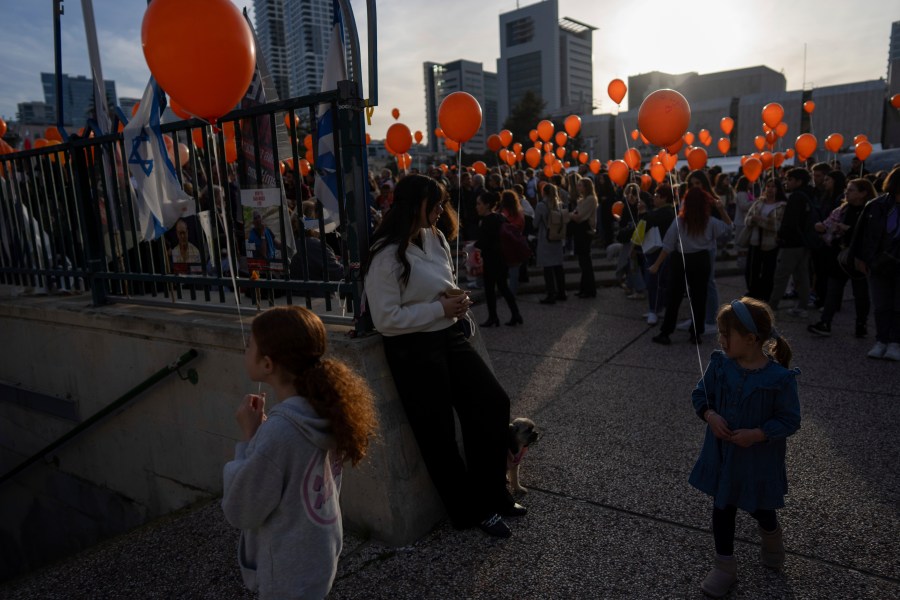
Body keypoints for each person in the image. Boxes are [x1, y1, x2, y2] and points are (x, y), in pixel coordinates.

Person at [363, 174, 523, 538]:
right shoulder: (385, 254)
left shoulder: (434, 238)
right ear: (414, 205)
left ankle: (492, 492)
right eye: (434, 204)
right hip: (411, 348)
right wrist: (440, 309)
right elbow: (387, 320)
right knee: (438, 433)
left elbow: (444, 286)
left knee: (492, 402)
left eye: (441, 203)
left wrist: (458, 302)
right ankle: (469, 510)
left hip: (447, 335)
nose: (441, 210)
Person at [222, 306, 378, 599]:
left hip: (286, 571)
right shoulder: (323, 406)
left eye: (248, 346)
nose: (245, 351)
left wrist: (248, 438)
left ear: (267, 364)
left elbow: (241, 509)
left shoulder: (280, 431)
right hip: (318, 556)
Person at [690, 298, 801, 598]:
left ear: (752, 339)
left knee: (761, 508)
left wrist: (758, 433)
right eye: (721, 334)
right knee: (722, 508)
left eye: (728, 335)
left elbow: (790, 420)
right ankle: (724, 566)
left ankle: (771, 534)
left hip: (757, 462)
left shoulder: (779, 379)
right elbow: (700, 395)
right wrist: (710, 415)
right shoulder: (720, 365)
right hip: (723, 457)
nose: (721, 340)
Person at [649, 186, 733, 345]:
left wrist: (656, 264)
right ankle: (696, 334)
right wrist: (721, 210)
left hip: (681, 260)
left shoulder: (679, 221)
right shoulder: (710, 221)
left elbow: (668, 245)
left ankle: (666, 332)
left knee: (674, 297)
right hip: (702, 260)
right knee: (699, 297)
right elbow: (729, 229)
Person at [807, 178, 875, 338]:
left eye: (851, 190)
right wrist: (822, 228)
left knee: (861, 293)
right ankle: (825, 323)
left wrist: (848, 230)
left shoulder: (870, 210)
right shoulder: (842, 209)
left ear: (863, 193)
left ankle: (861, 324)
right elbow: (828, 226)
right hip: (839, 256)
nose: (847, 192)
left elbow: (872, 235)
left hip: (859, 258)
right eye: (847, 189)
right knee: (833, 290)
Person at [853, 166, 900, 360]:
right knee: (881, 304)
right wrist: (859, 257)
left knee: (898, 305)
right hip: (878, 262)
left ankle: (895, 342)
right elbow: (861, 234)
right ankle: (881, 340)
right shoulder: (875, 205)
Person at [769, 168, 816, 316]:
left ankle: (772, 306)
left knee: (781, 275)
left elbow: (790, 221)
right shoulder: (810, 193)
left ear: (799, 181)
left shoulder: (796, 197)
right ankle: (803, 306)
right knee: (802, 274)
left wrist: (781, 235)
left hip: (792, 242)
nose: (786, 182)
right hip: (805, 241)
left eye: (790, 179)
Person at [475, 191, 523, 327]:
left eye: (479, 204)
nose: (477, 206)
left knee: (490, 289)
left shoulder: (486, 221)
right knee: (503, 287)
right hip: (502, 258)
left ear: (487, 205)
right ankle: (515, 314)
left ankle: (493, 317)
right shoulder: (500, 217)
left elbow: (485, 242)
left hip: (491, 259)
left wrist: (475, 245)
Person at [743, 179, 787, 302]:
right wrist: (754, 220)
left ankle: (766, 293)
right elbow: (747, 219)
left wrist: (760, 220)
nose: (770, 189)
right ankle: (753, 291)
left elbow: (777, 225)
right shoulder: (758, 202)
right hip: (755, 240)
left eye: (773, 186)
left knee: (769, 270)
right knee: (752, 269)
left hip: (771, 243)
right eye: (768, 186)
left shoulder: (782, 205)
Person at [641, 184, 677, 325]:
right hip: (659, 250)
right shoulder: (665, 211)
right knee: (658, 282)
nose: (654, 198)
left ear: (664, 198)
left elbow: (648, 221)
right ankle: (657, 308)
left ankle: (654, 310)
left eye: (656, 196)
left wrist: (643, 212)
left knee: (654, 282)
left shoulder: (666, 212)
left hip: (658, 251)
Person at [535, 183, 567, 304]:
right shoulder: (559, 204)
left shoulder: (541, 205)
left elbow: (535, 223)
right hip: (558, 238)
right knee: (558, 267)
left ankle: (551, 293)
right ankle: (562, 292)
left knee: (548, 268)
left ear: (544, 192)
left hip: (546, 238)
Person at [570, 177, 598, 298]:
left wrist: (569, 214)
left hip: (585, 231)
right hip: (579, 230)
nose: (578, 187)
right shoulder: (582, 200)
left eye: (580, 185)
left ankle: (589, 290)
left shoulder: (590, 199)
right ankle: (584, 288)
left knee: (585, 261)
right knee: (582, 262)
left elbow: (578, 216)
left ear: (586, 187)